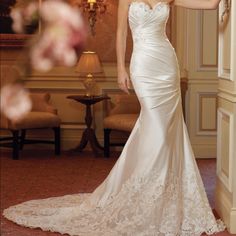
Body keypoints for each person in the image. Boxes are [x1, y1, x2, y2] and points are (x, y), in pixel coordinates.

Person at [3, 0, 226, 235]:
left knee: (167, 131)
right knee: (156, 127)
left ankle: (162, 197)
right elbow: (121, 35)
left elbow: (209, 4)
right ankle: (146, 194)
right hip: (143, 64)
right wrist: (121, 68)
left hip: (167, 64)